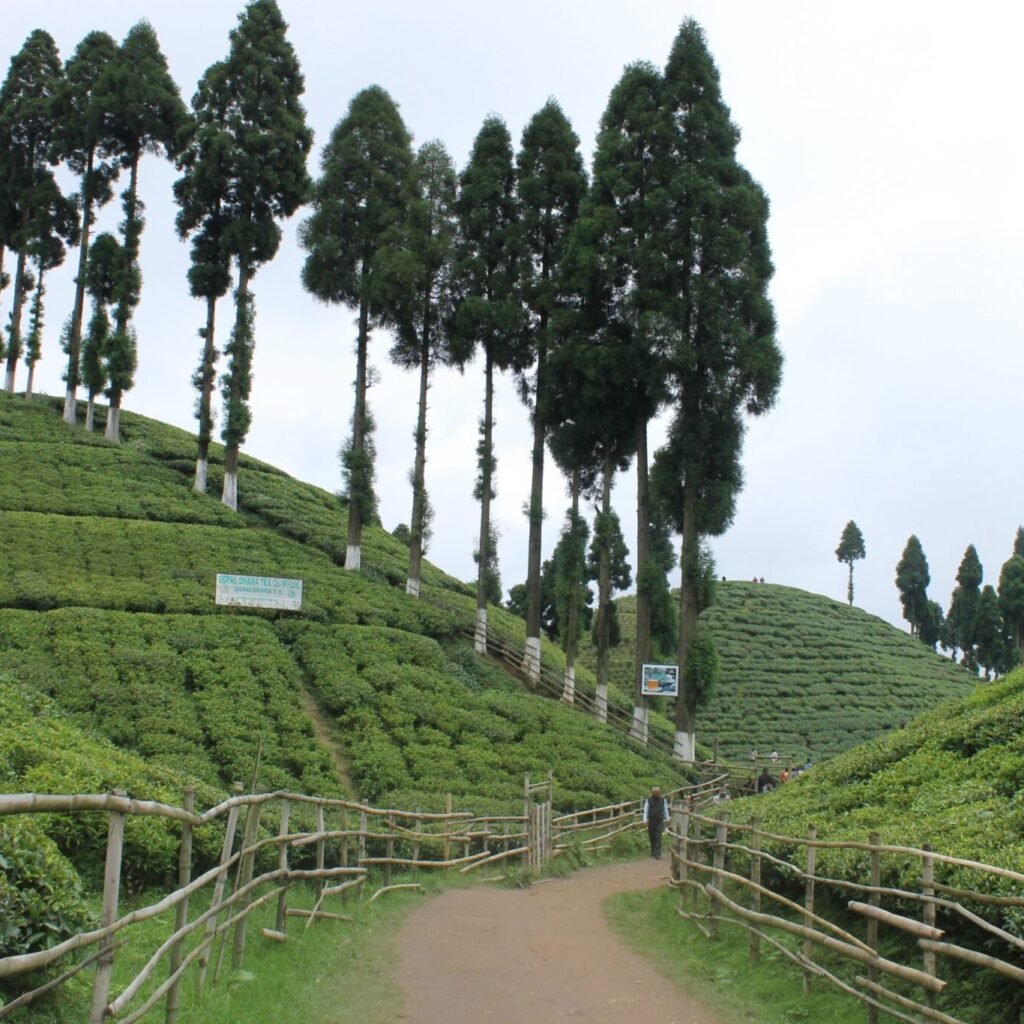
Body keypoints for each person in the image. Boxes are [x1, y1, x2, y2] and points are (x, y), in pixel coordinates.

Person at [642, 785, 669, 860]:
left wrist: (667, 818)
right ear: (653, 793)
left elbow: (665, 809)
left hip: (659, 820)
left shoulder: (663, 800)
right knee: (652, 836)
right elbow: (646, 810)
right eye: (656, 793)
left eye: (659, 792)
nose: (658, 794)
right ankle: (653, 851)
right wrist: (644, 820)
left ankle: (658, 853)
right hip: (651, 820)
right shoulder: (649, 800)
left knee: (658, 836)